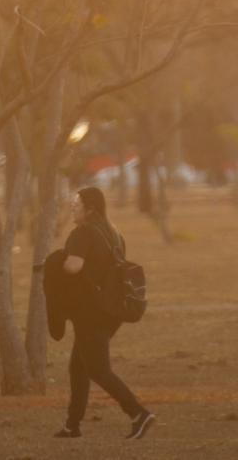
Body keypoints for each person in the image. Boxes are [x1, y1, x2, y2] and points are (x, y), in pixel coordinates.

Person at [51, 185, 155, 440]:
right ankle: (72, 425)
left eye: (76, 205)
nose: (73, 209)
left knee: (97, 369)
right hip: (112, 311)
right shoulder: (114, 233)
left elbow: (74, 267)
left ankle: (138, 413)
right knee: (79, 366)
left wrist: (54, 265)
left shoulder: (83, 232)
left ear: (90, 209)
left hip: (91, 311)